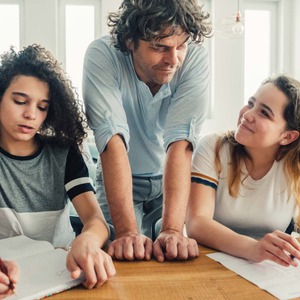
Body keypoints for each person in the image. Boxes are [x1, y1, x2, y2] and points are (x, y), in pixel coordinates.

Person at [83, 0, 212, 262]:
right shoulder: (102, 55)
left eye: (181, 46)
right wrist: (127, 232)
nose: (173, 60)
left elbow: (181, 143)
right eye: (159, 48)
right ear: (130, 41)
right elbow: (112, 141)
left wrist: (173, 230)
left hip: (169, 179)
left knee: (172, 256)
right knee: (123, 257)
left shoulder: (195, 58)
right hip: (120, 180)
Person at [0, 44, 116, 297]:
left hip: (62, 275)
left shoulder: (64, 154)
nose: (31, 114)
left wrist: (87, 240)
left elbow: (96, 221)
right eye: (20, 101)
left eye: (42, 107)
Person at [186, 74, 300, 267]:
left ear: (287, 137)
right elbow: (197, 223)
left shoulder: (294, 169)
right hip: (207, 259)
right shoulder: (213, 147)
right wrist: (253, 249)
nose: (247, 114)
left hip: (266, 269)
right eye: (250, 103)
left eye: (264, 113)